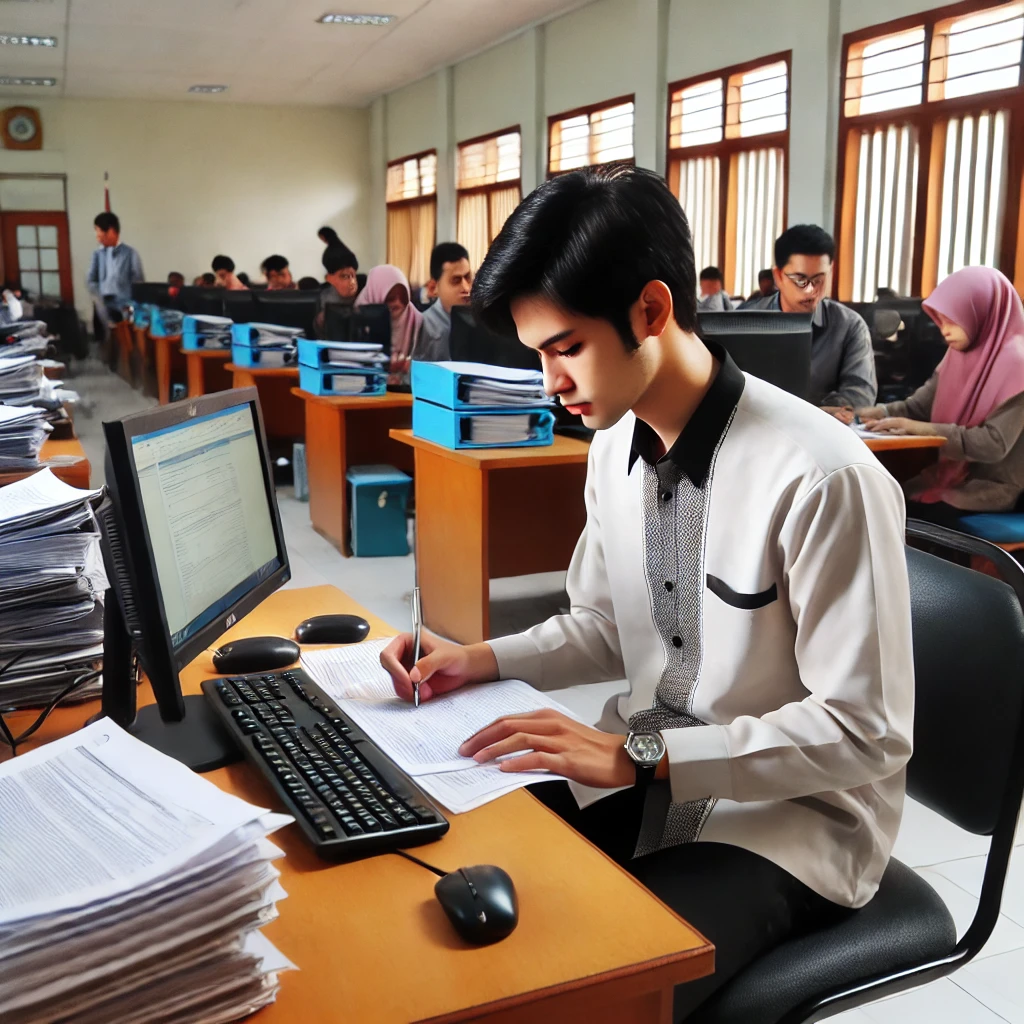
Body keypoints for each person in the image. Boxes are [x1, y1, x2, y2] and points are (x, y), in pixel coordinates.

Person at [378, 166, 913, 1020]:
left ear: (652, 312)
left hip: (788, 820)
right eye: (538, 354)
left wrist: (647, 758)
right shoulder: (611, 444)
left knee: (599, 990)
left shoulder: (822, 477)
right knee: (456, 885)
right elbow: (604, 624)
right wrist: (477, 657)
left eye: (565, 348)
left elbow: (866, 731)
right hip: (638, 773)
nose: (550, 381)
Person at [856, 266, 1024, 528]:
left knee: (895, 518)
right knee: (878, 501)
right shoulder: (958, 355)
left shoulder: (1018, 365)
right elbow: (918, 407)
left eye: (952, 319)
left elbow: (993, 444)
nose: (943, 330)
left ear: (981, 311)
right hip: (950, 478)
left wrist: (923, 430)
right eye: (940, 320)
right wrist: (871, 413)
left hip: (996, 490)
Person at [750, 225, 877, 413]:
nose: (810, 290)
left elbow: (860, 395)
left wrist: (807, 415)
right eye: (800, 280)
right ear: (778, 276)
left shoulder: (849, 325)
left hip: (823, 436)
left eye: (819, 280)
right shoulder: (746, 321)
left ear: (831, 271)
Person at [355, 265, 422, 381]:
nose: (397, 302)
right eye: (390, 297)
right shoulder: (358, 316)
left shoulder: (416, 319)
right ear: (376, 293)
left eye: (402, 296)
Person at [86, 212, 144, 333]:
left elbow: (138, 283)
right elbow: (91, 280)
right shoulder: (97, 254)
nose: (97, 235)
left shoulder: (130, 253)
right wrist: (99, 296)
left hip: (125, 307)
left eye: (98, 231)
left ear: (111, 231)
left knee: (126, 342)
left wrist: (129, 303)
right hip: (103, 308)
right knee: (106, 342)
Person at [417, 242, 473, 362]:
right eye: (456, 280)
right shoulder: (423, 327)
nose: (466, 288)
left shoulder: (481, 321)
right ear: (434, 287)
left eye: (468, 277)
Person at [313, 244, 360, 339]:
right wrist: (320, 321)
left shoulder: (364, 293)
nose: (351, 282)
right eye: (344, 276)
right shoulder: (323, 297)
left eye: (353, 275)